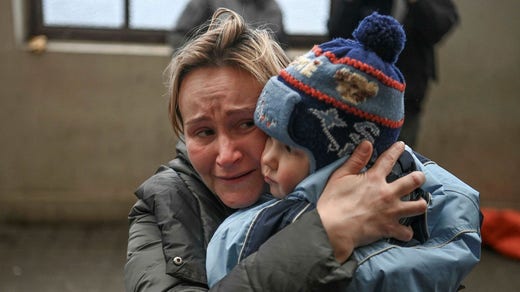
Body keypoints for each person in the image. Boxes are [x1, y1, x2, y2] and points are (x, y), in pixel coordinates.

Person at [124, 8, 479, 291]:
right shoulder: (162, 207)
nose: (227, 155)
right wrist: (324, 237)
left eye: (246, 123)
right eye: (203, 132)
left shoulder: (387, 186)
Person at [206, 12, 433, 287]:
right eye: (269, 139)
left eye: (289, 149)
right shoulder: (416, 205)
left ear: (345, 160)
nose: (267, 159)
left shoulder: (263, 230)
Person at [328, 0, 459, 147]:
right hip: (356, 88)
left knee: (399, 154)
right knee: (349, 151)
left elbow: (440, 26)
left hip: (408, 91)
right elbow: (336, 31)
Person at [169, 0, 287, 47]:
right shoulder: (207, 2)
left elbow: (281, 48)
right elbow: (178, 37)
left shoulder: (273, 9)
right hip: (212, 69)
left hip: (256, 75)